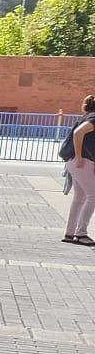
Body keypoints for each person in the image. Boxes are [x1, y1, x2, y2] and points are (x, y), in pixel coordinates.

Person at [64, 95, 95, 245]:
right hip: (83, 161)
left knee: (79, 198)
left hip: (75, 161)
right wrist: (79, 157)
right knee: (93, 195)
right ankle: (81, 233)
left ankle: (70, 233)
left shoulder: (86, 116)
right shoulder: (93, 118)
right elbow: (78, 133)